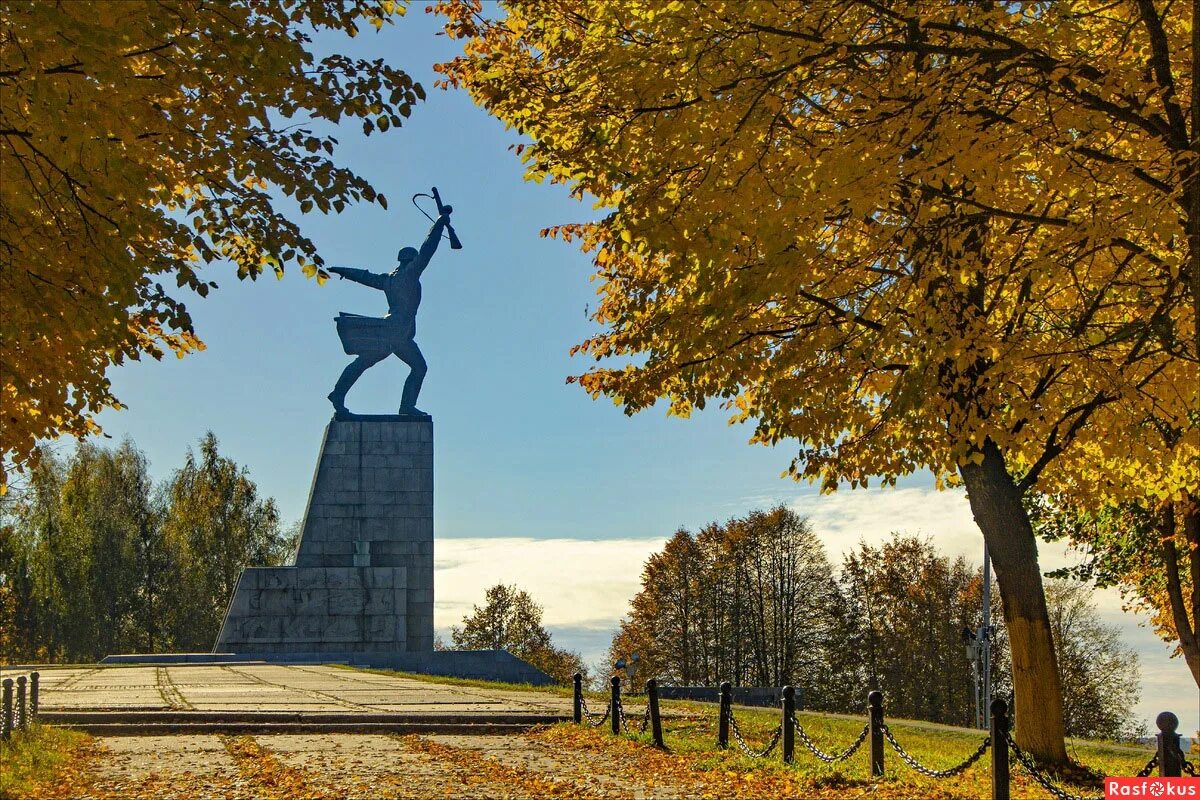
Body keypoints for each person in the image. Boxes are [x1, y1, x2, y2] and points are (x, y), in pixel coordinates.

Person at [327, 210, 452, 417]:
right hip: (398, 331)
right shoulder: (410, 275)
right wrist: (439, 224)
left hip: (393, 329)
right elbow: (428, 248)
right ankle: (405, 407)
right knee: (418, 367)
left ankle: (338, 394)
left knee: (366, 362)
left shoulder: (389, 280)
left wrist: (343, 270)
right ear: (411, 261)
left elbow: (364, 276)